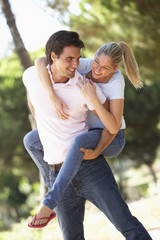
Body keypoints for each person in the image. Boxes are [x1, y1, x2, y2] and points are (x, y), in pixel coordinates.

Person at [23, 30, 152, 240]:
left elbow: (113, 126)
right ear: (54, 57)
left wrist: (97, 150)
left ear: (115, 68)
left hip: (94, 156)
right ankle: (54, 186)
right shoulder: (47, 75)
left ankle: (49, 200)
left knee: (127, 225)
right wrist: (51, 97)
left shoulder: (99, 84)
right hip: (60, 173)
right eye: (70, 59)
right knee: (30, 140)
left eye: (105, 68)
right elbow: (39, 63)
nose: (75, 64)